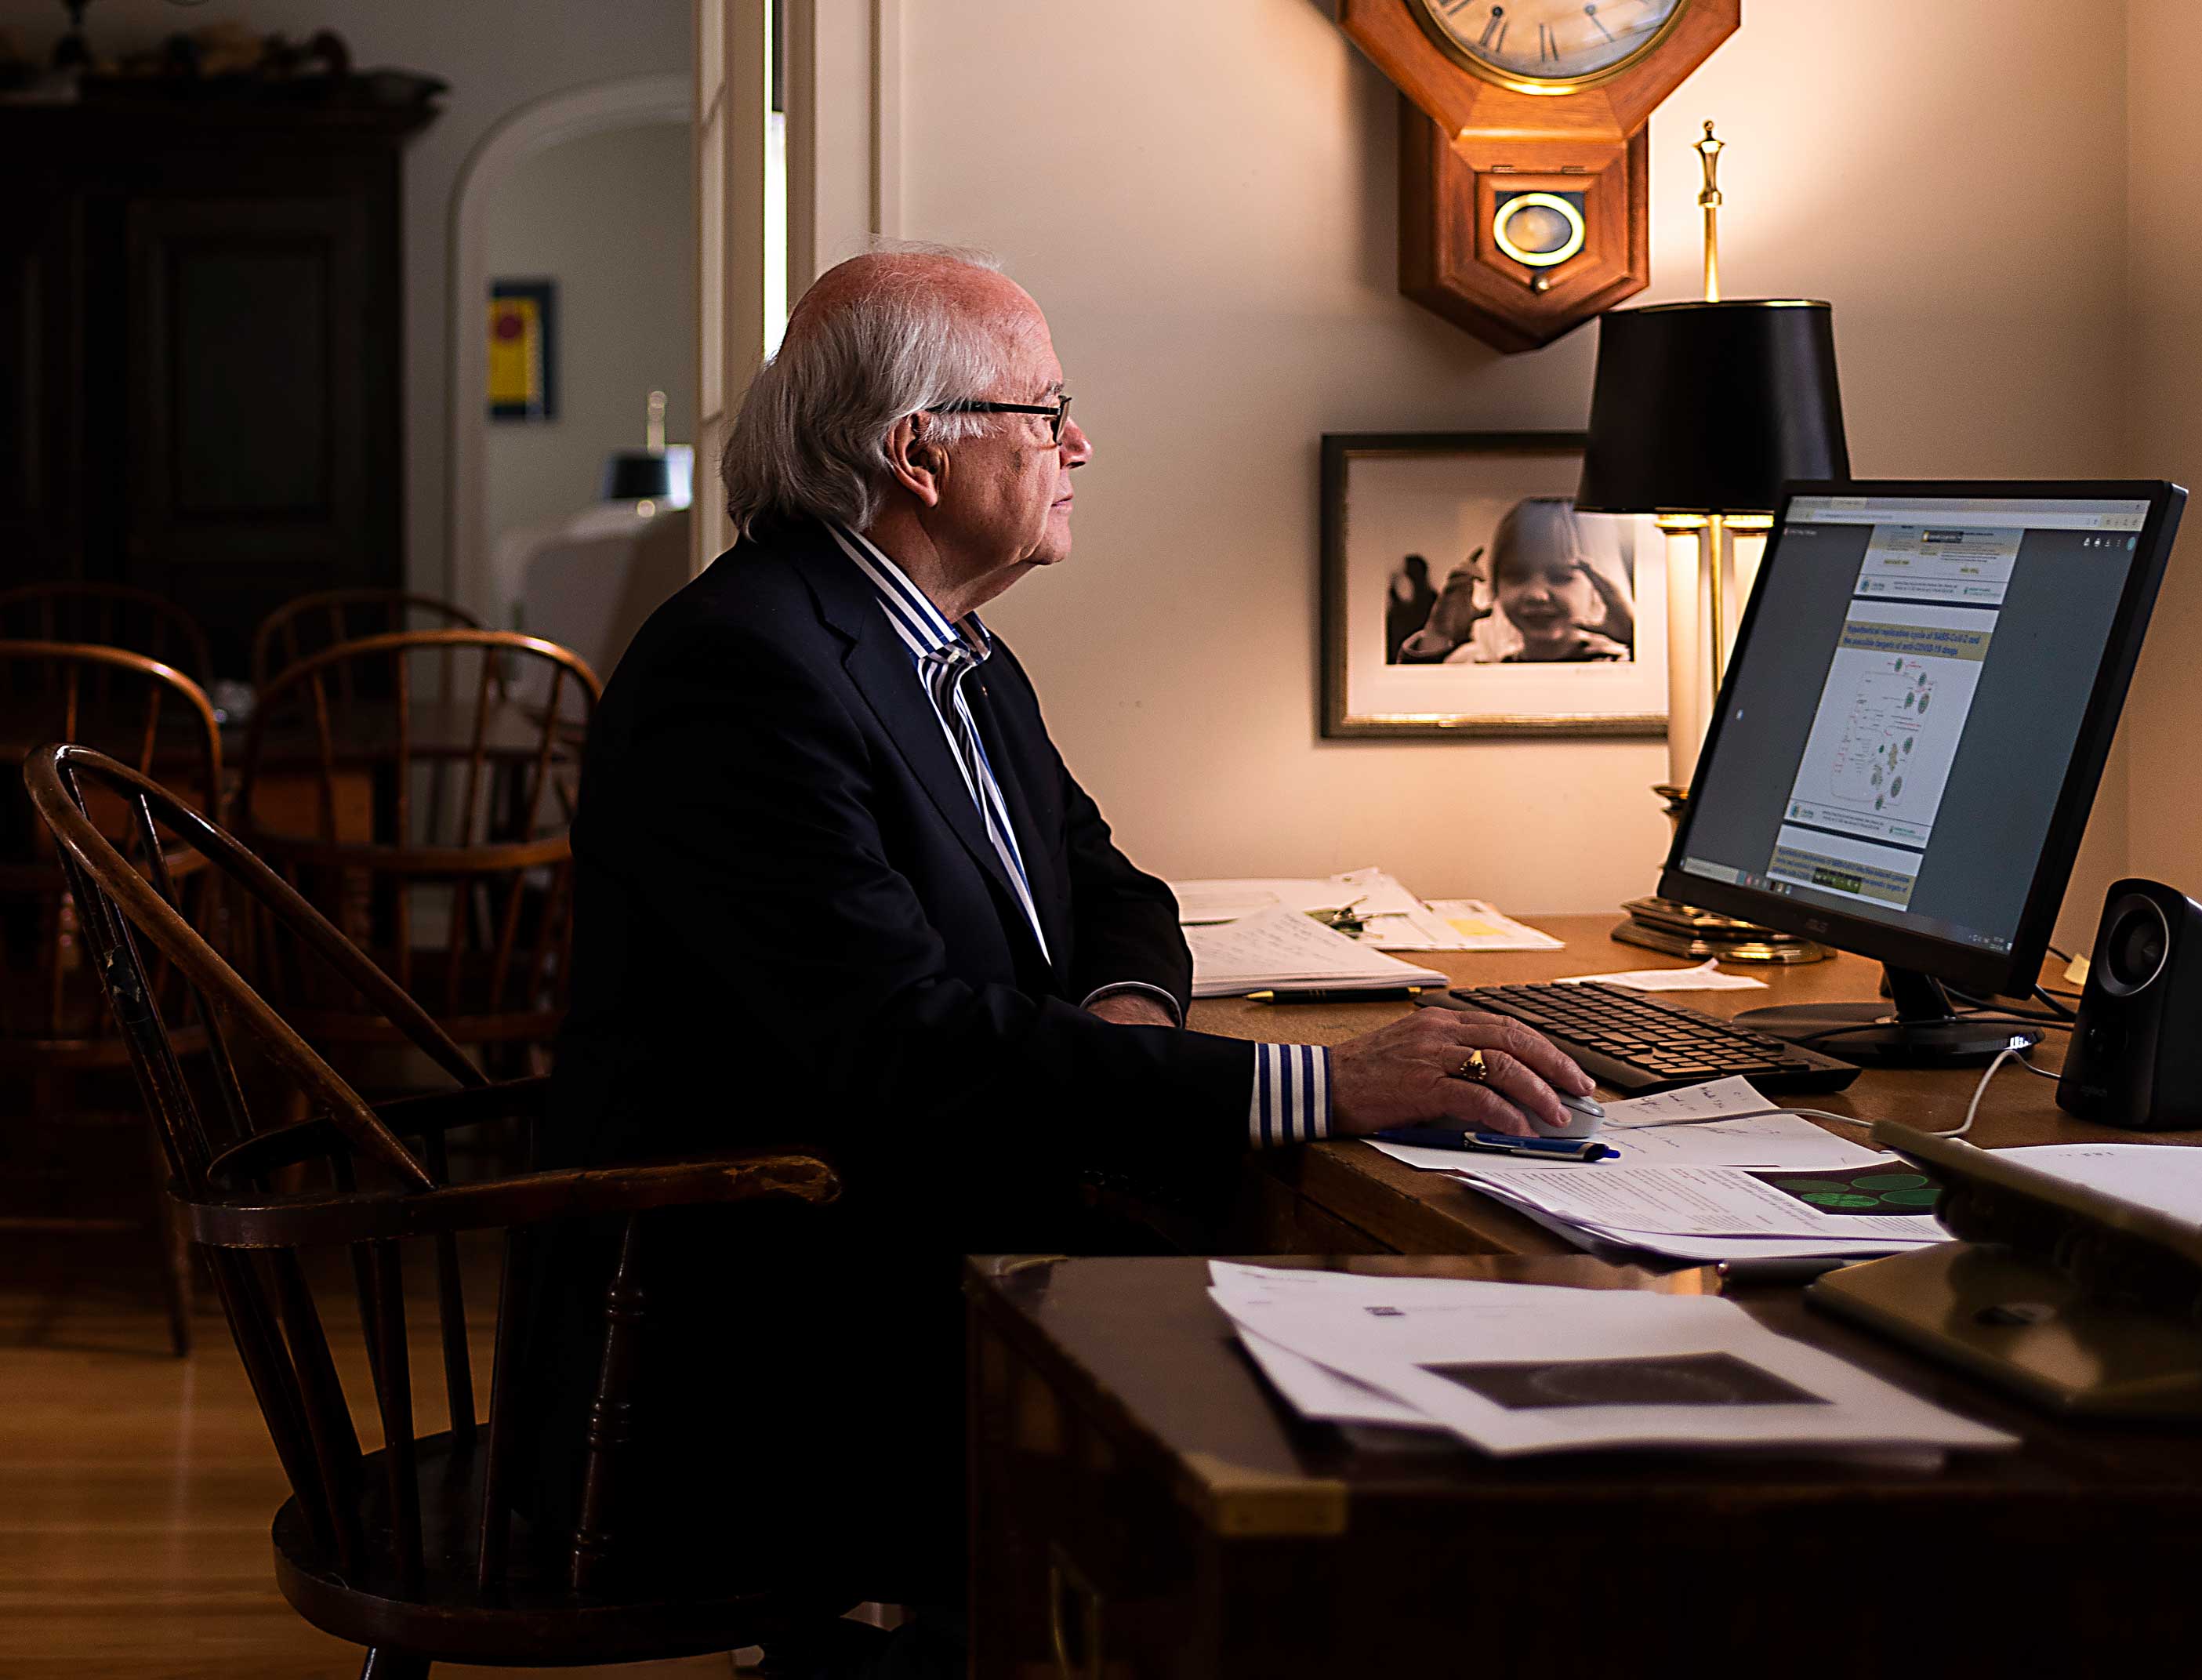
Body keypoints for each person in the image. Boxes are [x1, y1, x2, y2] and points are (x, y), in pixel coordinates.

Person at [531, 246, 1593, 1656]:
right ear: (919, 451)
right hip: (776, 1336)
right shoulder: (747, 670)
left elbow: (1119, 891)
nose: (1077, 441)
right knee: (1386, 1414)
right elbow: (902, 1042)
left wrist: (1130, 1011)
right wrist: (1316, 1087)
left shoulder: (945, 644)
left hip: (921, 1232)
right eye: (1044, 409)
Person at [1398, 497, 1634, 663]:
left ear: (1596, 586)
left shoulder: (1619, 664)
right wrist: (1438, 636)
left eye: (1560, 577)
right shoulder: (1474, 665)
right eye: (1516, 576)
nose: (1536, 595)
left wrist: (1634, 638)